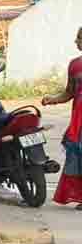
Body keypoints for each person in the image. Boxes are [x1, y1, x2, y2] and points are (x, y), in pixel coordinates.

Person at [44, 27, 82, 207]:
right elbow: (69, 92)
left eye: (79, 38)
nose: (76, 42)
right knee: (77, 155)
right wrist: (52, 99)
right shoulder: (74, 65)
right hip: (79, 121)